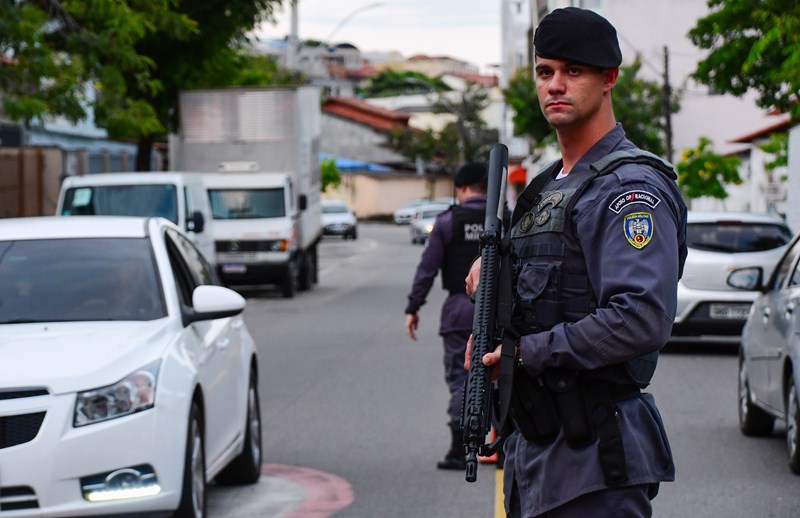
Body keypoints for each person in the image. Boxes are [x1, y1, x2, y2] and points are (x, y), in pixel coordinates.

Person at [465, 7, 688, 517]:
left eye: (574, 71)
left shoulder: (628, 190)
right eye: (545, 72)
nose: (555, 85)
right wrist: (495, 283)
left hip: (593, 463)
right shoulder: (548, 187)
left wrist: (522, 356)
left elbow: (639, 318)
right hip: (538, 454)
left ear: (609, 78)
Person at [404, 163, 488, 470]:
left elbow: (427, 268)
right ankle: (502, 446)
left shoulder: (448, 221)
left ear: (461, 188)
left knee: (461, 377)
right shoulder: (505, 218)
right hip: (501, 311)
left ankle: (459, 450)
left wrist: (413, 307)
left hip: (459, 309)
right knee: (501, 373)